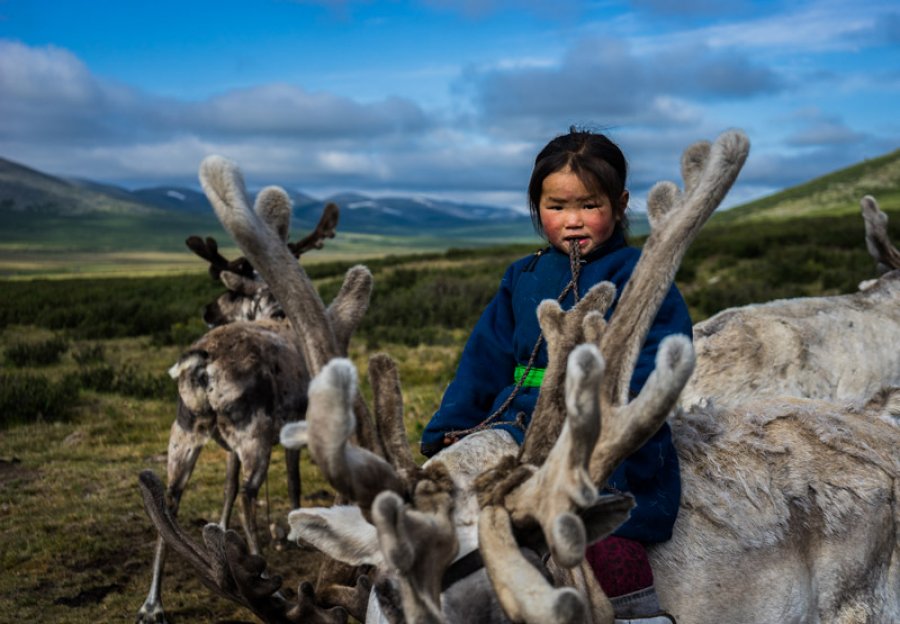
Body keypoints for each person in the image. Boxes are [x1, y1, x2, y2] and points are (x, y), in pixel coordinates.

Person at [420, 127, 692, 622]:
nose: (572, 222)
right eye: (556, 206)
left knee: (599, 532)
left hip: (604, 438)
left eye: (589, 205)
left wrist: (611, 420)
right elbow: (484, 359)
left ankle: (639, 615)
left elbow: (657, 360)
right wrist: (447, 430)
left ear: (620, 202)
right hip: (516, 427)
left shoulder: (640, 273)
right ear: (535, 205)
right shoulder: (521, 276)